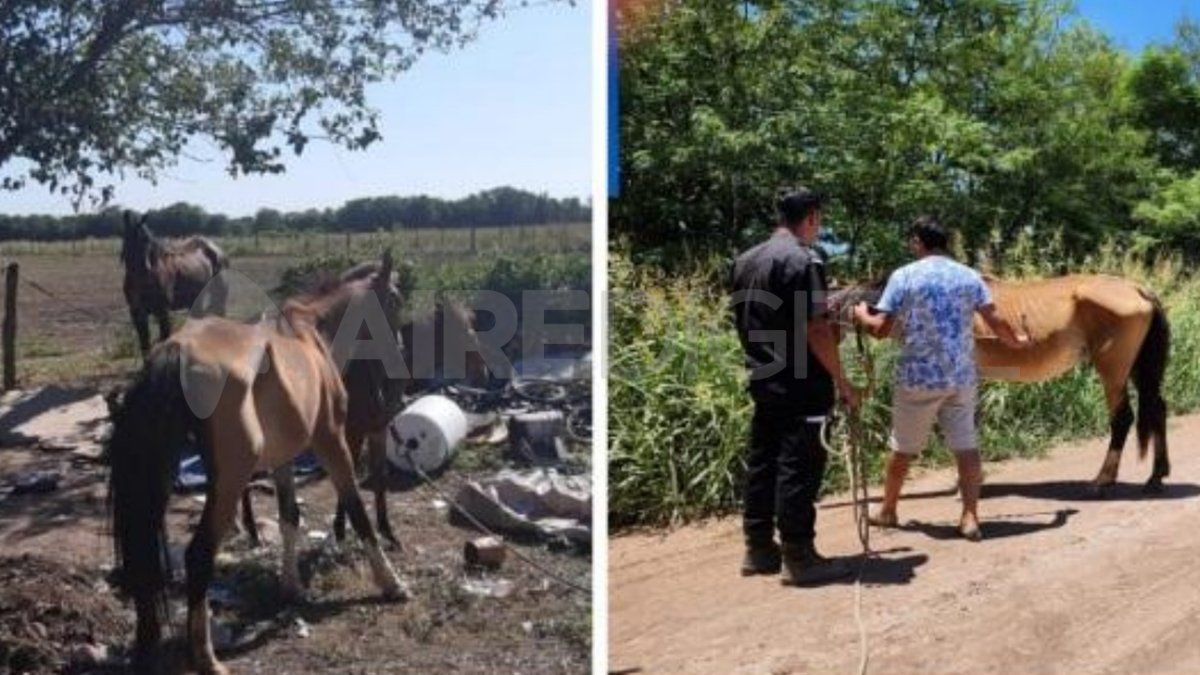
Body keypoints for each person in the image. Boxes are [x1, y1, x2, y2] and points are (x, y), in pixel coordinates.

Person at [853, 216, 1029, 541]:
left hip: (918, 377)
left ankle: (888, 510)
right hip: (961, 376)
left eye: (911, 241)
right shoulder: (969, 276)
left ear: (918, 242)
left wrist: (861, 314)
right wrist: (1016, 341)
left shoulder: (904, 276)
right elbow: (995, 320)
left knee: (903, 449)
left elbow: (880, 330)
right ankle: (970, 517)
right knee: (966, 447)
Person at [729, 188, 859, 585]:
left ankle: (758, 548)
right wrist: (843, 381)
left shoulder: (744, 261)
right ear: (812, 218)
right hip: (802, 378)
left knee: (764, 460)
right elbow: (817, 328)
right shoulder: (804, 260)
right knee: (798, 465)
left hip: (764, 373)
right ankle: (800, 556)